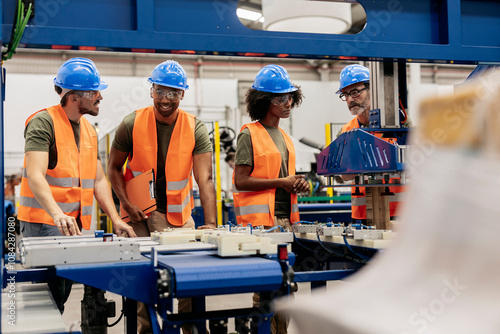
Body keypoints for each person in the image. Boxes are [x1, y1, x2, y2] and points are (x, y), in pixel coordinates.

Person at [18, 57, 137, 314]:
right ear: (74, 97)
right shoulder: (43, 123)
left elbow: (98, 179)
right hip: (43, 224)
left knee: (60, 295)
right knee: (45, 303)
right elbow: (35, 174)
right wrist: (57, 213)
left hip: (72, 227)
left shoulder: (89, 130)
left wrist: (115, 219)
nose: (100, 97)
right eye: (94, 92)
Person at [107, 60, 216, 334]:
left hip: (178, 217)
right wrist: (127, 203)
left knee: (189, 282)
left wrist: (212, 223)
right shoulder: (131, 123)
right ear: (151, 90)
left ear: (183, 94)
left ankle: (190, 329)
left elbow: (205, 179)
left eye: (173, 93)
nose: (166, 99)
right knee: (142, 285)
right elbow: (112, 168)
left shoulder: (196, 128)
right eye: (161, 91)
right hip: (137, 216)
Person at [233, 64, 309, 334]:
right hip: (260, 223)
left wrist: (297, 183)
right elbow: (240, 180)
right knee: (266, 290)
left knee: (286, 288)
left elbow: (284, 180)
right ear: (263, 102)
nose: (287, 103)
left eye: (289, 97)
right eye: (280, 99)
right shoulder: (248, 134)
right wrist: (282, 182)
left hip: (284, 222)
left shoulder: (286, 138)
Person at [336, 64, 412, 222]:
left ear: (373, 90)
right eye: (345, 94)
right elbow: (344, 176)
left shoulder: (398, 125)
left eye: (355, 92)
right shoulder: (346, 132)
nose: (350, 99)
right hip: (364, 217)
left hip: (403, 216)